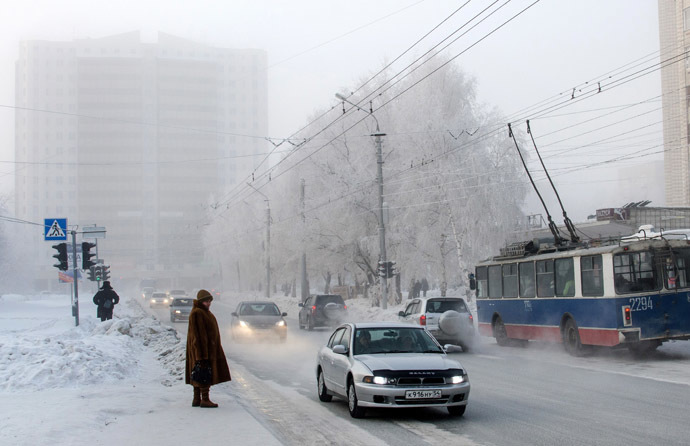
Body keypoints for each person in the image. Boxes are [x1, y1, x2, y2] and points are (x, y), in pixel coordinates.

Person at [186, 289, 231, 408]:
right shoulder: (198, 313)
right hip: (202, 350)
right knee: (203, 373)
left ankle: (197, 399)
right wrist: (202, 356)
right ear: (201, 302)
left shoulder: (202, 312)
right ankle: (204, 399)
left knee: (198, 372)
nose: (208, 303)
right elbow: (199, 336)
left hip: (203, 350)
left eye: (209, 301)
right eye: (206, 301)